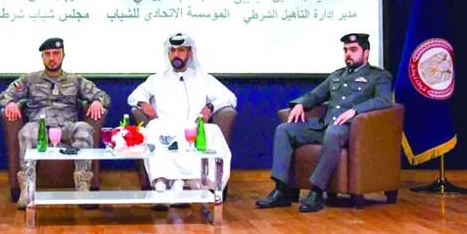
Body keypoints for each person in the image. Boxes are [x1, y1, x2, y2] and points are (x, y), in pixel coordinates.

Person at [255, 33, 393, 213]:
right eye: (345, 50)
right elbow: (316, 95)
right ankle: (281, 190)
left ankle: (316, 192)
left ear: (366, 53)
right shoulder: (337, 75)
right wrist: (300, 104)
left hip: (351, 130)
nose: (348, 54)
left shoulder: (379, 76)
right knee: (284, 130)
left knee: (333, 133)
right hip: (326, 126)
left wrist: (355, 110)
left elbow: (384, 100)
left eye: (353, 50)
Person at [0, 37, 111, 209]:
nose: (52, 58)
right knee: (26, 132)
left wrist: (97, 102)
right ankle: (27, 189)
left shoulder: (75, 80)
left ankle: (83, 188)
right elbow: (4, 95)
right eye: (47, 54)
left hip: (67, 126)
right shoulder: (30, 79)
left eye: (56, 54)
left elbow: (103, 96)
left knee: (84, 130)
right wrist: (11, 103)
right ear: (42, 57)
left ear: (63, 55)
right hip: (39, 125)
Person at [127, 32, 236, 194]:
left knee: (213, 133)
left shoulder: (203, 78)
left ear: (189, 53)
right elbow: (134, 96)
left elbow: (229, 97)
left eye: (181, 50)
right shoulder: (157, 79)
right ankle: (161, 181)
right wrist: (143, 103)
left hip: (193, 127)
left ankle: (191, 182)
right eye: (172, 51)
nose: (176, 55)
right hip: (165, 126)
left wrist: (210, 107)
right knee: (153, 129)